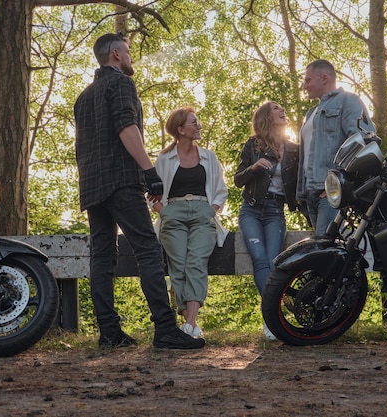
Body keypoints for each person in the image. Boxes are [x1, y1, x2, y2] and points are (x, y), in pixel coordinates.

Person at [73, 32, 204, 350]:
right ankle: (165, 328)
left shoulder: (83, 98)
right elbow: (126, 127)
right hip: (121, 180)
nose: (131, 57)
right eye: (128, 52)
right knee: (148, 250)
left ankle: (109, 332)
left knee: (102, 256)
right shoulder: (120, 84)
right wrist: (149, 171)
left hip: (92, 185)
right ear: (116, 54)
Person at [152, 107, 228, 339]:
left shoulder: (209, 156)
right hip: (172, 211)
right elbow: (152, 193)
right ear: (180, 129)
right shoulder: (164, 158)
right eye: (194, 123)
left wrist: (210, 210)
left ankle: (191, 322)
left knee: (196, 261)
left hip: (202, 212)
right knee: (179, 265)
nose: (199, 126)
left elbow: (220, 191)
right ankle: (190, 325)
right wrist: (164, 213)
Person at [234, 101, 299, 340]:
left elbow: (299, 183)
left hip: (275, 211)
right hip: (251, 210)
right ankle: (273, 318)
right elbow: (238, 179)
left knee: (274, 262)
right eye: (275, 108)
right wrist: (253, 168)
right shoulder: (253, 145)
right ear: (265, 117)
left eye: (283, 108)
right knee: (260, 260)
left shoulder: (294, 149)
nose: (282, 110)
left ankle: (272, 318)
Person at [297, 59, 375, 235]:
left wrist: (339, 182)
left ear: (324, 78)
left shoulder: (348, 100)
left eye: (308, 80)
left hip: (332, 193)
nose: (304, 86)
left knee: (325, 252)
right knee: (324, 252)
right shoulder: (311, 113)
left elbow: (363, 140)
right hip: (311, 195)